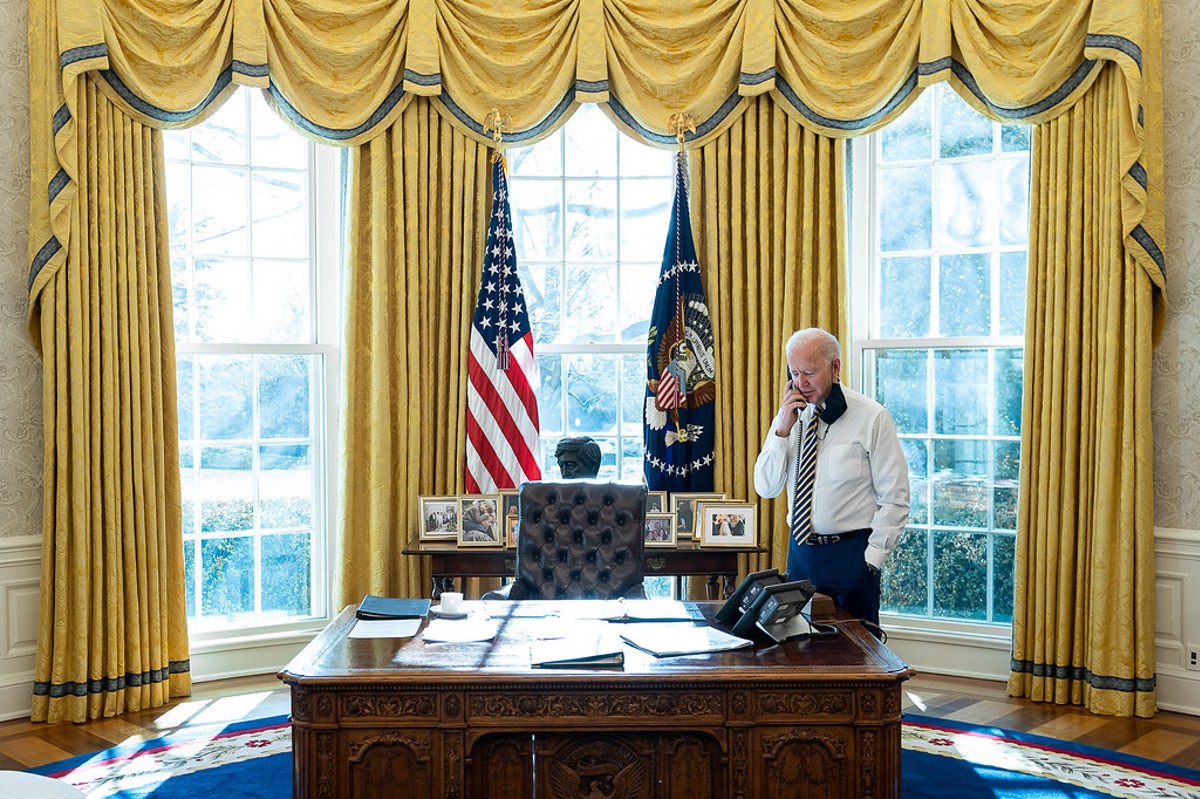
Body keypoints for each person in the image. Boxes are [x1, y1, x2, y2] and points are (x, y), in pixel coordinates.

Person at [753, 327, 909, 633]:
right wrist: (781, 431)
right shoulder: (789, 418)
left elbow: (895, 498)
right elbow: (766, 487)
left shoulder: (872, 417)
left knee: (859, 655)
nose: (801, 383)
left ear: (835, 367)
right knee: (799, 648)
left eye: (809, 372)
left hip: (851, 556)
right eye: (794, 373)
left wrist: (871, 561)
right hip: (800, 554)